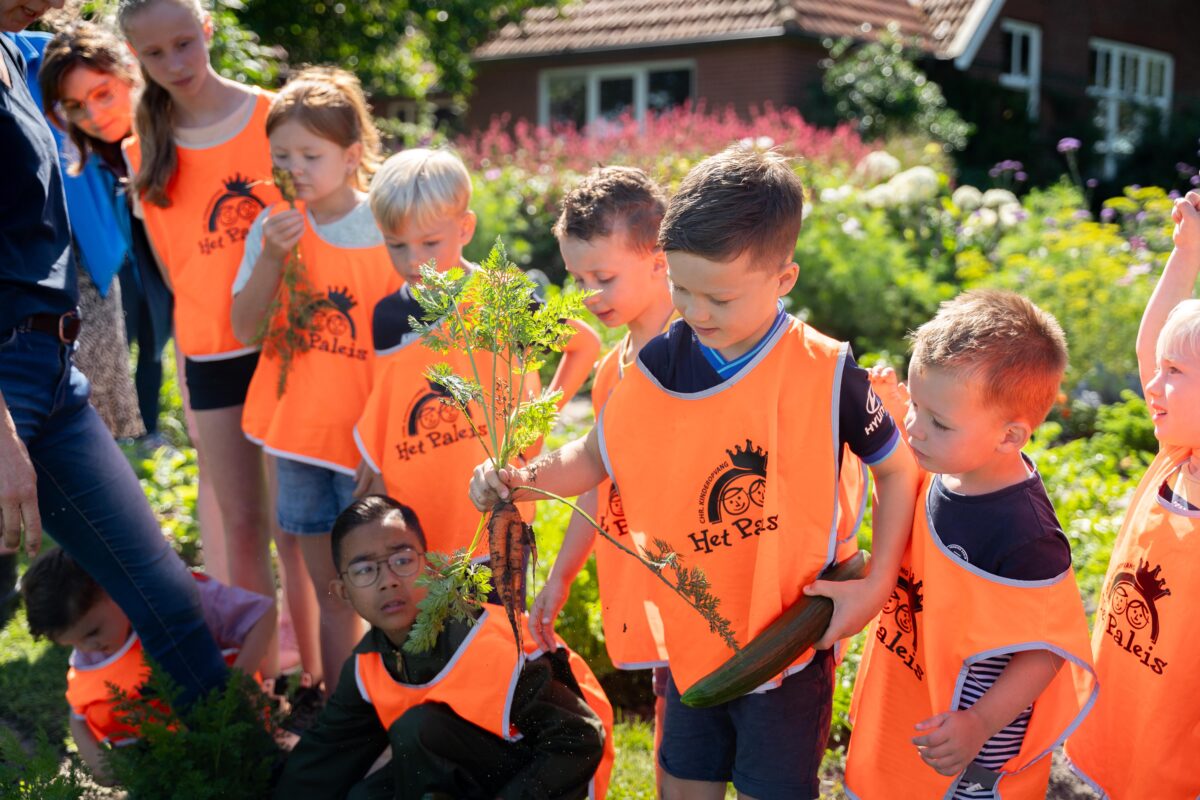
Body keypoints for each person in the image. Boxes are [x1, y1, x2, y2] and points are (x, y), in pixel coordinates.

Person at [472, 145, 919, 800]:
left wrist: (877, 584)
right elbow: (594, 457)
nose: (698, 312)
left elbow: (900, 473)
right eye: (682, 289)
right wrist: (518, 476)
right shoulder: (659, 365)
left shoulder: (828, 373)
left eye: (720, 296)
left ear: (784, 278)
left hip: (789, 646)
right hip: (693, 638)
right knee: (684, 784)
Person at [1, 0, 227, 705]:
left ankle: (245, 769)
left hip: (53, 368)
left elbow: (128, 55)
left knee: (160, 589)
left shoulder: (17, 51)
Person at [844, 290, 1097, 799]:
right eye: (917, 405)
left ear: (1009, 438)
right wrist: (896, 414)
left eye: (938, 422)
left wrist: (979, 723)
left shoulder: (1025, 533)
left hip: (971, 746)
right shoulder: (949, 465)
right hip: (914, 704)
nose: (916, 427)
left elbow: (1046, 650)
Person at [232, 66, 399, 694]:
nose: (293, 167)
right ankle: (336, 709)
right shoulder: (272, 229)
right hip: (298, 440)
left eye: (310, 154)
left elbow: (413, 349)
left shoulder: (389, 228)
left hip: (367, 447)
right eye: (281, 156)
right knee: (331, 593)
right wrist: (273, 257)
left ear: (352, 154)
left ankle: (392, 707)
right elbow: (246, 328)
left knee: (384, 589)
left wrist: (382, 447)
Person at [273, 495, 613, 799]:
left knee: (418, 731)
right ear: (344, 591)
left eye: (402, 560)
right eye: (365, 570)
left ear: (432, 568)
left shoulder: (488, 645)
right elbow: (324, 757)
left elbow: (580, 739)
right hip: (481, 771)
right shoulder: (370, 664)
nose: (388, 579)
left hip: (552, 779)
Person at [353, 148, 600, 561]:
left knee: (498, 626)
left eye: (430, 242)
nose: (414, 259)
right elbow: (388, 408)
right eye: (396, 245)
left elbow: (584, 344)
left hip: (496, 513)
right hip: (415, 524)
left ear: (465, 228)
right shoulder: (386, 317)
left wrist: (536, 422)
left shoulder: (499, 294)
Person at [118, 0, 280, 611]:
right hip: (212, 358)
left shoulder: (271, 116)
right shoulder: (142, 152)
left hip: (290, 345)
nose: (174, 63)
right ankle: (260, 679)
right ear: (135, 56)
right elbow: (176, 275)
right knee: (241, 526)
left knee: (301, 525)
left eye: (184, 42)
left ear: (207, 30)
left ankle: (326, 671)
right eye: (154, 53)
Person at [1064, 191, 1200, 798]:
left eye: (1175, 372)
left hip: (1173, 759)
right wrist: (1187, 254)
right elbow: (1151, 343)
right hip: (1118, 727)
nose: (1153, 380)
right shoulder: (1176, 459)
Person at [21, 545, 275, 785]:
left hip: (232, 744)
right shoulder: (91, 651)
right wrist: (97, 760)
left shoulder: (180, 601)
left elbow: (263, 616)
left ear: (111, 588)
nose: (89, 649)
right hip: (163, 769)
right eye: (73, 644)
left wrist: (235, 687)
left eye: (92, 632)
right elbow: (78, 713)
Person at [20, 21, 149, 441]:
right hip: (54, 257)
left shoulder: (43, 55)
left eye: (102, 95)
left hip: (91, 252)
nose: (91, 112)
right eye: (75, 106)